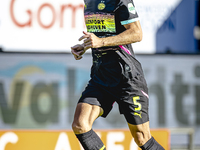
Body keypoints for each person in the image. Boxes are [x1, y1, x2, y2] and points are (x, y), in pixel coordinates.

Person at [71, 0, 165, 149]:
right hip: (101, 77)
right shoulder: (88, 1)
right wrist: (85, 45)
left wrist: (100, 42)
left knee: (142, 138)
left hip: (126, 78)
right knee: (80, 124)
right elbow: (103, 33)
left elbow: (137, 33)